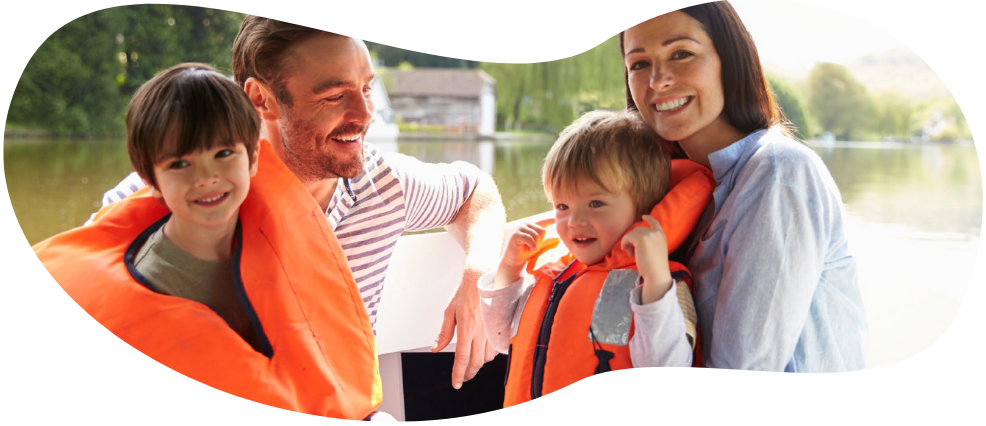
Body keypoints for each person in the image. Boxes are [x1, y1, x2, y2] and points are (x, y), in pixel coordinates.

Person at [94, 16, 506, 389]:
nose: (365, 114)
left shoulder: (384, 184)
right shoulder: (178, 193)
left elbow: (475, 191)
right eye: (334, 96)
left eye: (366, 88)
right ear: (262, 99)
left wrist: (477, 277)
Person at [35, 63, 383, 419]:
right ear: (150, 180)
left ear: (252, 159)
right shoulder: (153, 281)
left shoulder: (277, 238)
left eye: (223, 155)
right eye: (180, 164)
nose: (206, 178)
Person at [620, 1, 866, 371]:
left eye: (681, 53)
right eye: (639, 64)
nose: (658, 80)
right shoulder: (670, 191)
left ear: (729, 60)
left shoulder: (779, 174)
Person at [479, 110, 715, 407]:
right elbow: (501, 339)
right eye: (562, 205)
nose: (575, 220)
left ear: (644, 206)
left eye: (595, 203)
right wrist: (509, 269)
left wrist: (655, 283)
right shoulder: (556, 271)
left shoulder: (650, 284)